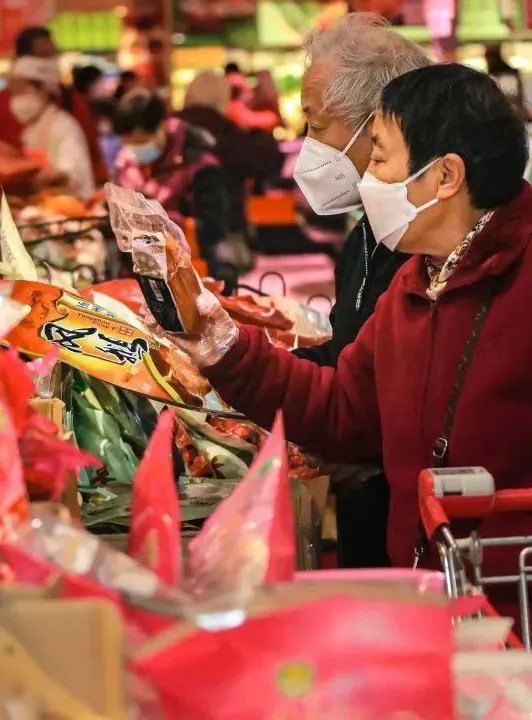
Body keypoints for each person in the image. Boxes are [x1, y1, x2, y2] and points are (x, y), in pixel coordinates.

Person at [161, 64, 532, 583]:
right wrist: (217, 340)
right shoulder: (414, 285)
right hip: (443, 597)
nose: (367, 178)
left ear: (443, 177)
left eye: (382, 158)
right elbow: (341, 410)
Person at [290, 13, 431, 567]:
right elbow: (353, 360)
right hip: (368, 514)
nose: (307, 145)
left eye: (317, 124)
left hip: (417, 527)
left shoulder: (430, 243)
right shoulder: (366, 233)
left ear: (380, 126)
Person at [113, 90, 228, 276]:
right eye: (129, 143)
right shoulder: (127, 161)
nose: (135, 150)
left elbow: (213, 225)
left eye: (142, 141)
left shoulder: (198, 161)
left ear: (163, 125)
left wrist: (160, 223)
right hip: (139, 272)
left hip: (191, 272)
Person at [0, 26, 107, 184]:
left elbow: (85, 161)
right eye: (42, 57)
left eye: (52, 56)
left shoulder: (72, 107)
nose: (50, 63)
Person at [178, 70, 283, 249]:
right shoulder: (228, 131)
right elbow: (259, 165)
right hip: (222, 230)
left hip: (173, 230)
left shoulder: (170, 128)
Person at [5, 56, 94, 200]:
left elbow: (74, 172)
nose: (16, 99)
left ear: (43, 91)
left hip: (72, 207)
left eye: (21, 91)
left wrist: (56, 175)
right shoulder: (33, 127)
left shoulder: (63, 125)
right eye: (14, 93)